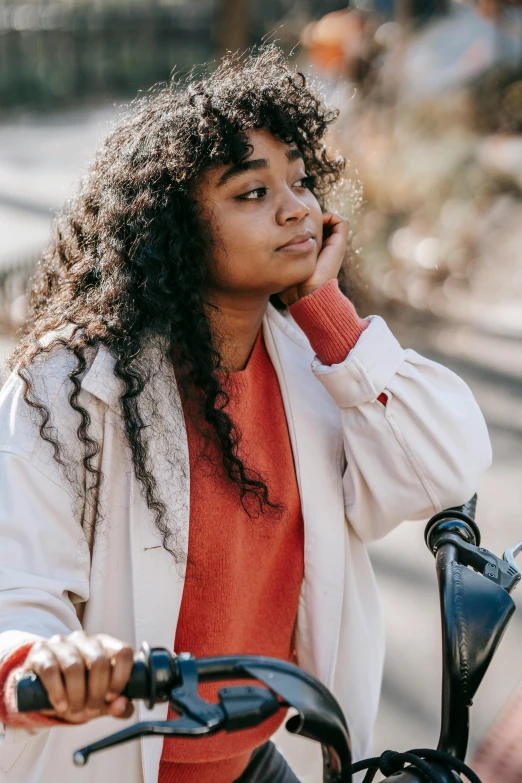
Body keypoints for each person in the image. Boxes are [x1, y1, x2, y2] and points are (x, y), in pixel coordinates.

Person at [0, 46, 491, 783]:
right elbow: (18, 586)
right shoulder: (71, 383)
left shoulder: (316, 360)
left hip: (251, 762)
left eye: (297, 180)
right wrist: (44, 659)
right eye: (251, 192)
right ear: (175, 227)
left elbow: (448, 465)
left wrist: (327, 312)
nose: (298, 205)